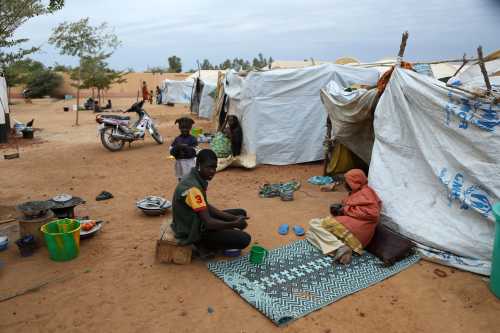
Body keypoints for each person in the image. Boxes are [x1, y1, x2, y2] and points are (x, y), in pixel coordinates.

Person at [171, 149, 251, 255]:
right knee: (244, 239)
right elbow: (208, 223)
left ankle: (221, 234)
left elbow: (206, 207)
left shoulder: (194, 177)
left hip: (194, 219)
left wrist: (233, 218)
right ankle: (203, 245)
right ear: (199, 165)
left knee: (240, 213)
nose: (213, 171)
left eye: (214, 167)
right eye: (209, 167)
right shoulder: (193, 188)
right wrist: (233, 223)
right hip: (191, 230)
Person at [306, 169, 381, 264]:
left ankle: (338, 247)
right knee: (310, 235)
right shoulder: (357, 191)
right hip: (353, 228)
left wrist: (344, 209)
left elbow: (373, 214)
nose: (345, 184)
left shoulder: (366, 193)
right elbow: (354, 207)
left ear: (355, 182)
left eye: (348, 182)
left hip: (359, 231)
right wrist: (339, 210)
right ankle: (341, 249)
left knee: (314, 223)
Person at [170, 117, 198, 181]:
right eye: (182, 128)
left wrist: (186, 148)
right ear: (179, 128)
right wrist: (177, 148)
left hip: (190, 163)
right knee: (180, 178)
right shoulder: (177, 139)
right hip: (179, 163)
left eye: (187, 128)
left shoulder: (193, 139)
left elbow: (195, 151)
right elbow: (171, 151)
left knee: (190, 178)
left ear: (190, 128)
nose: (184, 130)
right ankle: (182, 188)